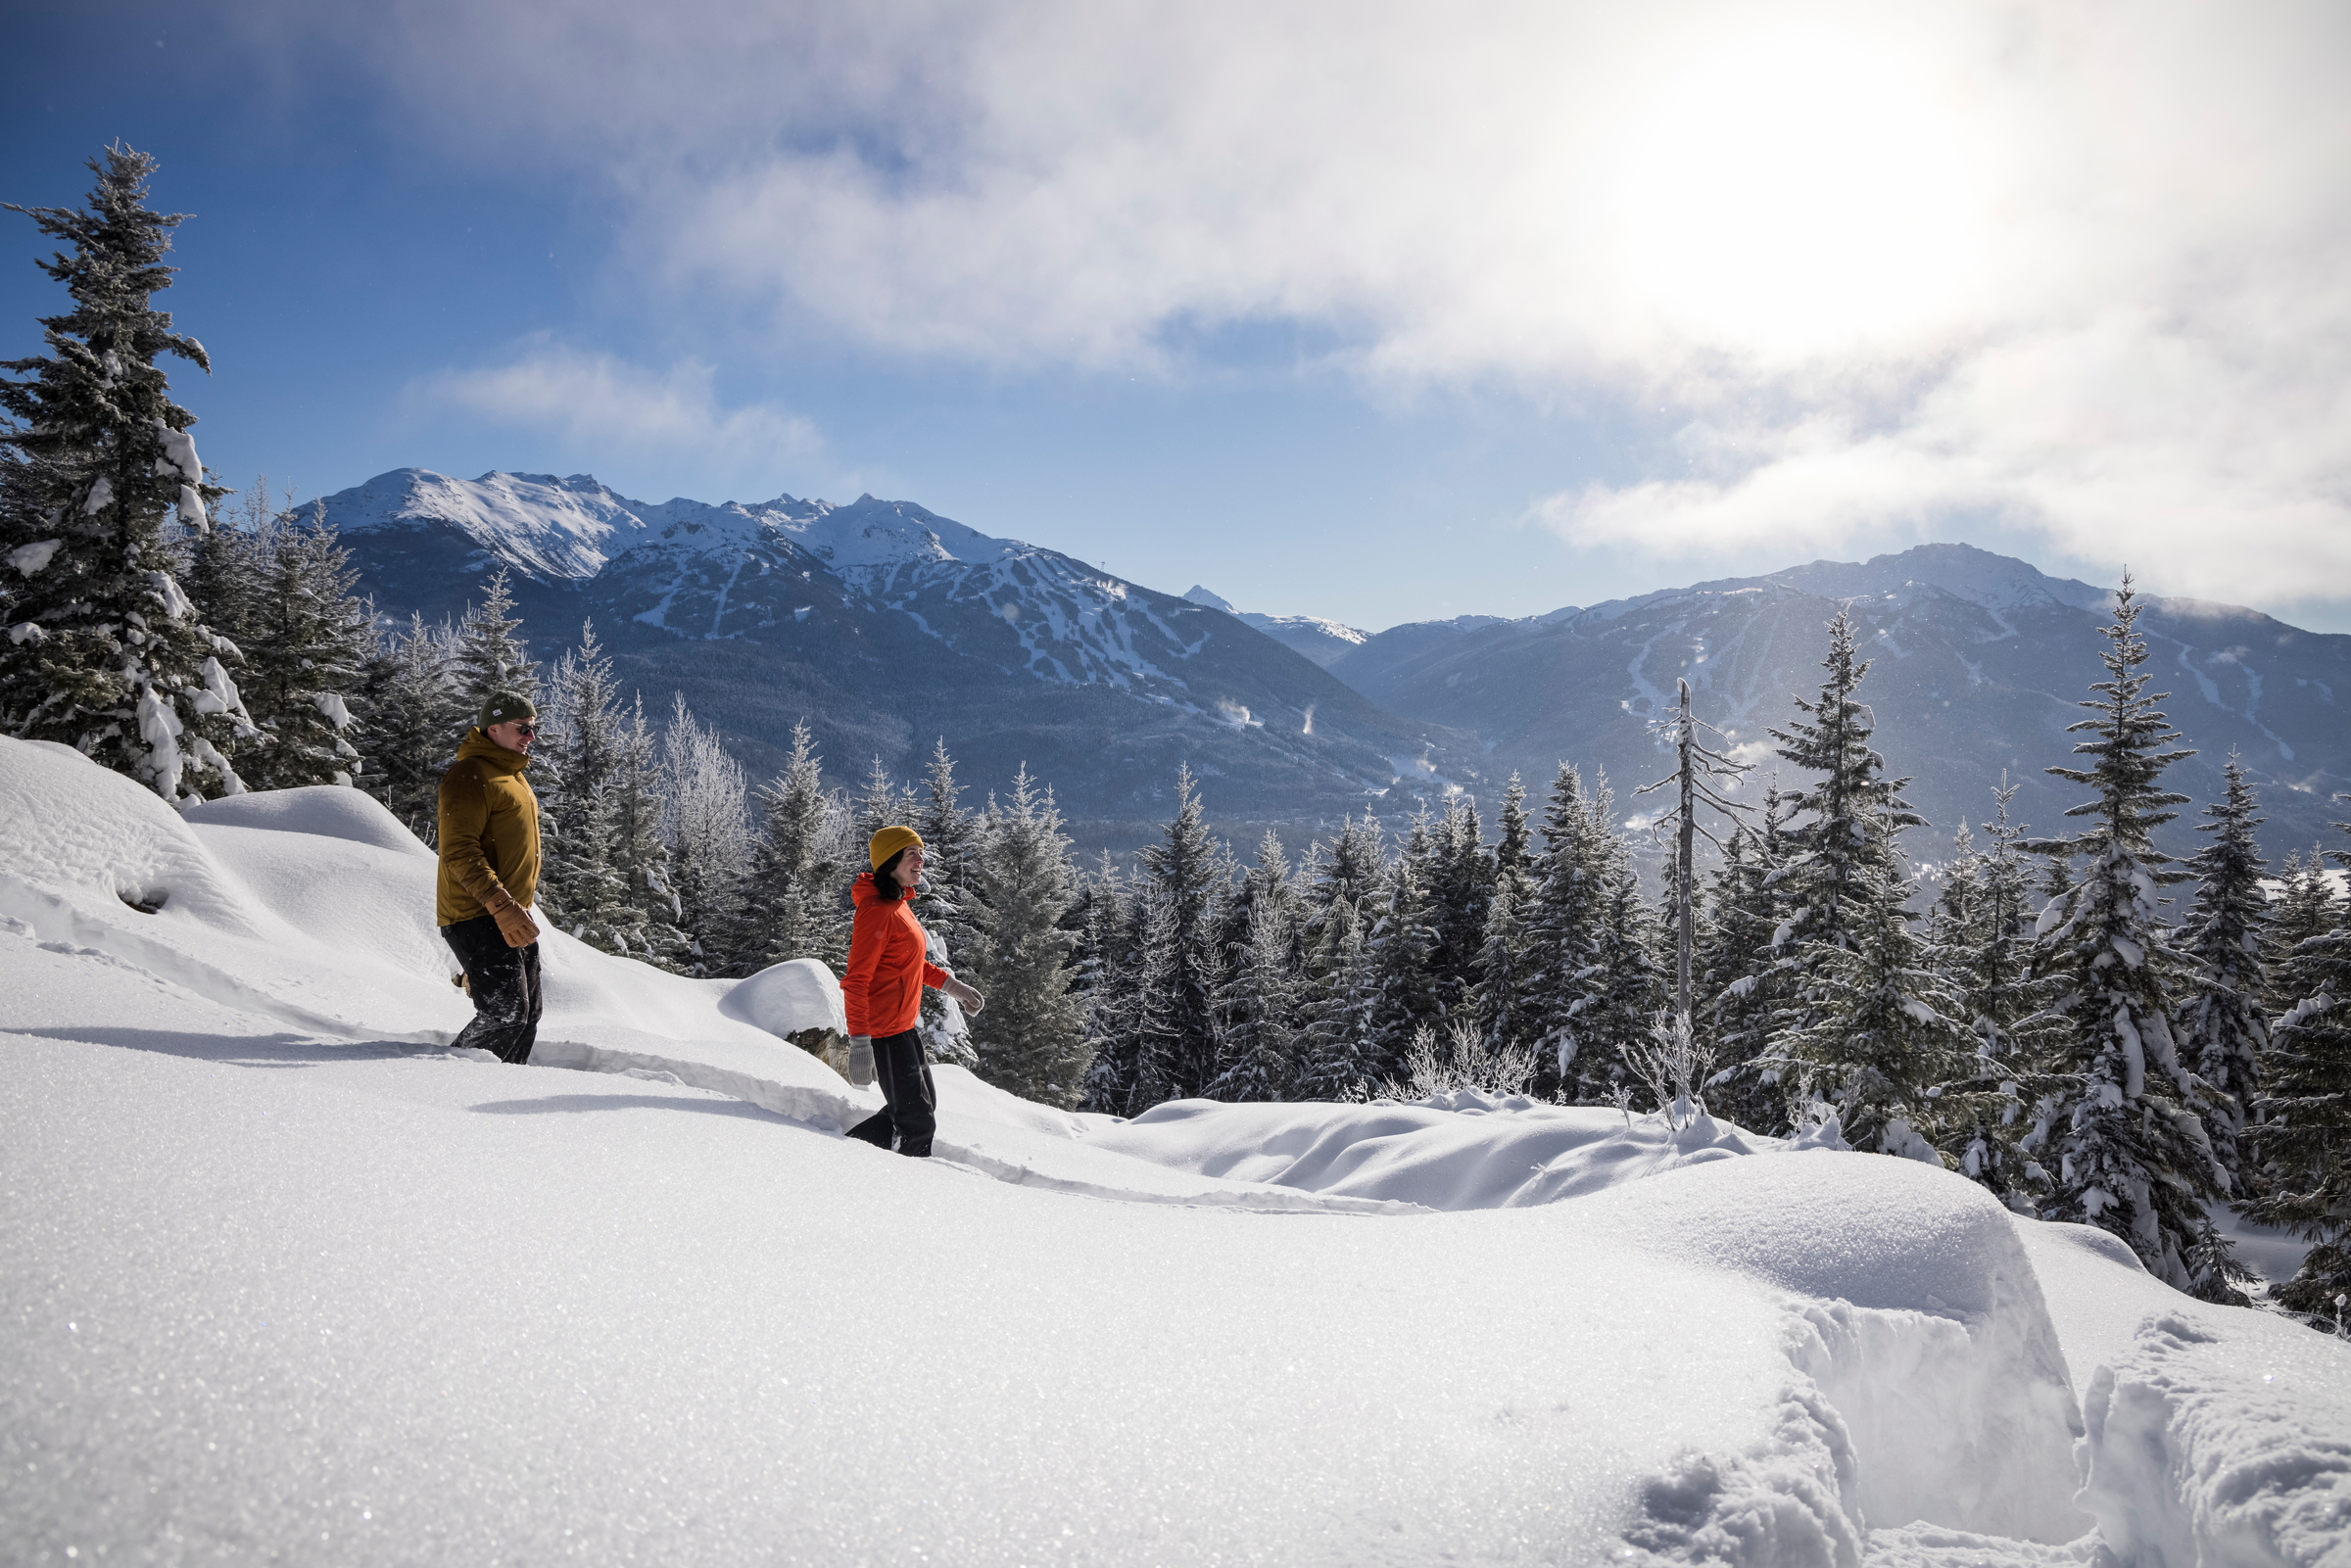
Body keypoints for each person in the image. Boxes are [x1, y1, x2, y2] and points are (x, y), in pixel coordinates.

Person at [843, 826, 984, 1158]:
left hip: (903, 1029)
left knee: (920, 1107)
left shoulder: (898, 906)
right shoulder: (876, 912)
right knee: (917, 1121)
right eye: (912, 854)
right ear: (891, 861)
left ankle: (850, 1153)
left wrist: (955, 988)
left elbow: (909, 963)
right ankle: (909, 1186)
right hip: (883, 1033)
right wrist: (860, 1042)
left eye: (921, 853)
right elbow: (856, 981)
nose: (921, 860)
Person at [436, 691, 545, 1064]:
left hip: (512, 914)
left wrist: (516, 909)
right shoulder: (469, 775)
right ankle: (447, 1083)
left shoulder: (510, 775)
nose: (531, 736)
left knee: (527, 1016)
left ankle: (501, 1093)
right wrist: (501, 907)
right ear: (493, 728)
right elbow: (459, 852)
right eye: (523, 728)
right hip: (478, 913)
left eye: (534, 729)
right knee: (505, 1014)